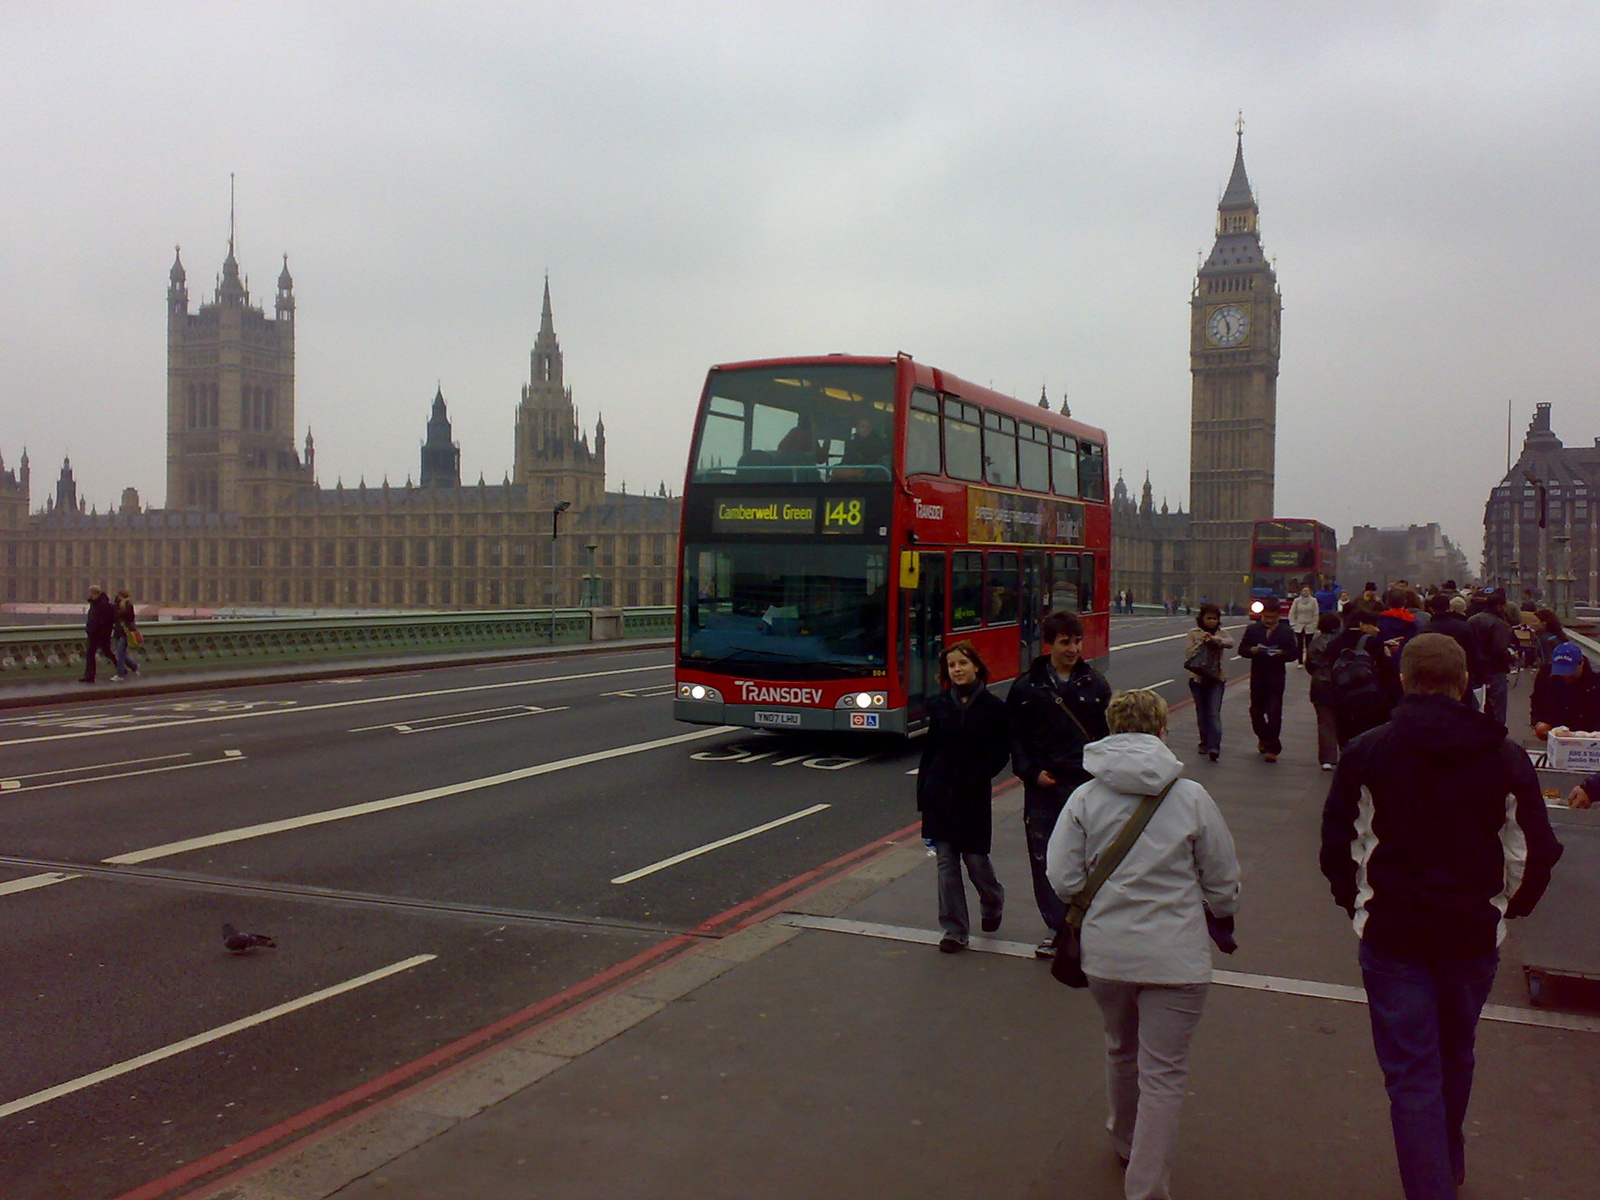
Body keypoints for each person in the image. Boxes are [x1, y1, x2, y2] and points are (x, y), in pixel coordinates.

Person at [1320, 633, 1562, 1200]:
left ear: (1403, 680)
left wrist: (1355, 902)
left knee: (1411, 1074)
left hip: (1393, 931)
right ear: (1462, 685)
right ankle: (1446, 1160)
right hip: (1471, 931)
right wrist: (1507, 906)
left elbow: (1339, 843)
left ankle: (1431, 1181)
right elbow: (1534, 847)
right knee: (1456, 1052)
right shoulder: (1503, 754)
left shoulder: (1368, 750)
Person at [1046, 688, 1240, 1200]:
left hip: (1107, 953)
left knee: (1120, 1048)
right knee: (1165, 1074)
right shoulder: (1191, 796)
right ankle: (1147, 1187)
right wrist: (1220, 913)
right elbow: (1222, 880)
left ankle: (1124, 1138)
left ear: (1111, 729)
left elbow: (1063, 877)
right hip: (1176, 956)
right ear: (1161, 730)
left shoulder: (1084, 797)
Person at [1008, 609, 1112, 957]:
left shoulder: (1096, 685)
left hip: (1084, 786)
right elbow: (1015, 738)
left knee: (1086, 859)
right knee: (1045, 859)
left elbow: (1105, 738)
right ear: (1048, 644)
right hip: (1043, 787)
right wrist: (1030, 772)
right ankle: (1058, 929)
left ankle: (1083, 927)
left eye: (1078, 641)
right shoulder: (1026, 687)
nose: (1074, 648)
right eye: (1066, 642)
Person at [917, 641, 1013, 953]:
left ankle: (993, 898)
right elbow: (930, 751)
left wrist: (981, 773)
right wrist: (924, 792)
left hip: (972, 798)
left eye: (962, 663)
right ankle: (954, 930)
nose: (957, 670)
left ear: (975, 666)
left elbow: (1002, 751)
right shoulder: (941, 705)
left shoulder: (993, 708)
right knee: (946, 864)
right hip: (940, 796)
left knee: (975, 862)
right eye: (951, 666)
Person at [1236, 599, 1298, 762]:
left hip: (1276, 677)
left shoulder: (1286, 631)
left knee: (1274, 713)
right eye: (1266, 617)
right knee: (1255, 712)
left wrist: (1281, 654)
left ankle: (1273, 748)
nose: (1269, 621)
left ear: (1278, 616)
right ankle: (1263, 737)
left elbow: (1293, 653)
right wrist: (1252, 650)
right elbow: (1242, 649)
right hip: (1258, 676)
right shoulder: (1253, 630)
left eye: (1273, 617)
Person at [1183, 603, 1233, 762]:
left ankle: (1214, 746)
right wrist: (1203, 642)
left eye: (1215, 618)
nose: (1212, 621)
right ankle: (1204, 741)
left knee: (1214, 712)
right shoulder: (1193, 633)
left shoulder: (1222, 633)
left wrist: (1215, 640)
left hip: (1216, 678)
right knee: (1201, 712)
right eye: (1208, 618)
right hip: (1197, 678)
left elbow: (1230, 642)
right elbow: (1189, 653)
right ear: (1202, 618)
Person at [1530, 642, 1600, 739]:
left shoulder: (1596, 679)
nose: (1565, 676)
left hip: (1589, 733)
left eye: (1570, 671)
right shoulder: (1546, 674)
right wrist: (1538, 722)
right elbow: (1537, 700)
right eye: (1561, 672)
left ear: (1581, 662)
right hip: (1557, 730)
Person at [1466, 591, 1514, 726]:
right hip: (1495, 669)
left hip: (1475, 668)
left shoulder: (1472, 620)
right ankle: (1497, 735)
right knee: (1497, 707)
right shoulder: (1499, 624)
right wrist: (1510, 657)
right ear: (1499, 606)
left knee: (1477, 703)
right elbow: (1499, 649)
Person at [1305, 610, 1344, 770]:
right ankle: (1344, 753)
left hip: (1320, 684)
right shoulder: (1342, 642)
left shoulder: (1315, 642)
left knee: (1325, 722)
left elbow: (1310, 664)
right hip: (1339, 684)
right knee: (1342, 721)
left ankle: (1327, 759)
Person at [79, 584, 117, 683]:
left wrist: (99, 627)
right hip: (93, 632)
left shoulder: (104, 604)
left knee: (106, 652)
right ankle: (89, 677)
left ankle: (121, 668)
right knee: (90, 654)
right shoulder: (94, 603)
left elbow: (108, 619)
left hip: (101, 633)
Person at [109, 588, 142, 682]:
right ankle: (134, 666)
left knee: (119, 654)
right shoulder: (115, 605)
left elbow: (131, 618)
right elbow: (113, 616)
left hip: (126, 633)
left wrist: (123, 610)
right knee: (121, 654)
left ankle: (120, 674)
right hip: (118, 632)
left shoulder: (128, 605)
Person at [1288, 585, 1320, 663]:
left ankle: (1308, 661)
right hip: (1299, 625)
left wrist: (1314, 624)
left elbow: (1316, 613)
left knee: (1309, 645)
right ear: (1301, 592)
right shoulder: (1296, 601)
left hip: (1310, 626)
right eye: (1304, 591)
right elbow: (1292, 613)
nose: (1306, 592)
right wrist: (1293, 624)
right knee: (1299, 644)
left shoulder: (1314, 601)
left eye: (1307, 591)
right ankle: (1300, 662)